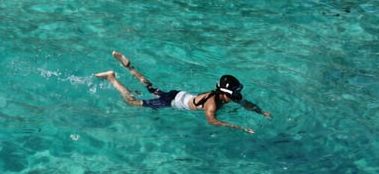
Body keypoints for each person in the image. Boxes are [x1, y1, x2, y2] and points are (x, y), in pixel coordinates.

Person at [96, 50, 270, 134]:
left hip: (178, 94)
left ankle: (130, 67)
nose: (235, 97)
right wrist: (238, 127)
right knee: (133, 103)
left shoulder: (226, 96)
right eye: (232, 95)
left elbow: (246, 103)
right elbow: (212, 121)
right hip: (171, 102)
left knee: (150, 88)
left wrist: (261, 112)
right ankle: (111, 78)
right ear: (224, 94)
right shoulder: (212, 104)